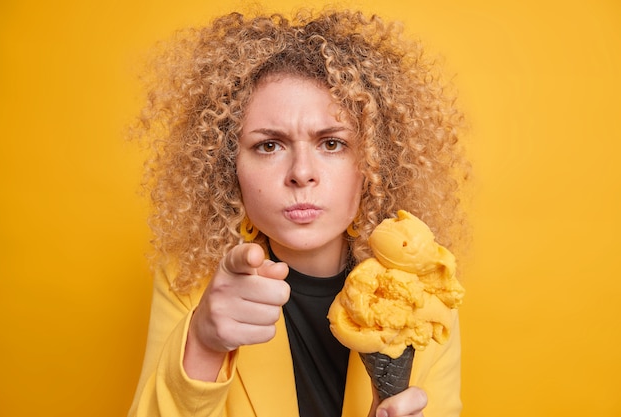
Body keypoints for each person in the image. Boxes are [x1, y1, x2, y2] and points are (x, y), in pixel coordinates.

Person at [128, 8, 469, 417]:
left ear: (374, 161)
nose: (302, 174)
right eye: (269, 145)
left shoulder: (423, 293)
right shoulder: (189, 281)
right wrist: (202, 343)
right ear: (227, 166)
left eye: (332, 144)